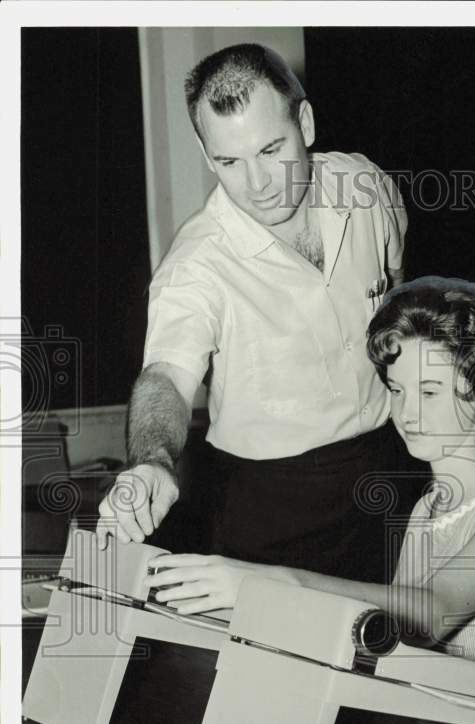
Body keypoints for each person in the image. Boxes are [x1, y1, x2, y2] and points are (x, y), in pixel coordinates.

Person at [97, 43, 416, 581]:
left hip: (391, 472)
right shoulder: (197, 264)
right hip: (272, 510)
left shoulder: (368, 189)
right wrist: (152, 460)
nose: (258, 183)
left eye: (271, 150)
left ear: (306, 123)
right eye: (229, 162)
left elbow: (400, 307)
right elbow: (166, 379)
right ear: (207, 156)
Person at [143, 277, 475, 662]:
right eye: (398, 390)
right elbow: (399, 639)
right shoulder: (431, 505)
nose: (408, 413)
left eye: (429, 390)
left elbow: (430, 614)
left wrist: (268, 584)